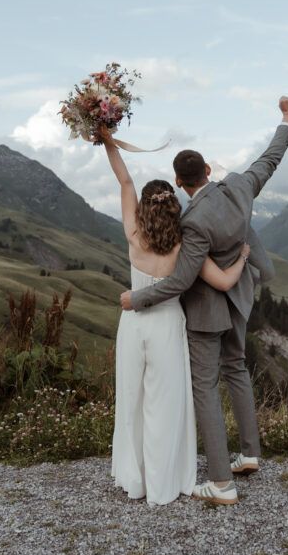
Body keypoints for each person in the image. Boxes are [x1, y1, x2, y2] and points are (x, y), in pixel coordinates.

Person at [120, 96, 288, 505]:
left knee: (205, 387)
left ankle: (220, 482)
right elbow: (270, 159)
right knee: (237, 370)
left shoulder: (192, 223)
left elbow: (181, 282)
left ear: (179, 183)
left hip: (206, 313)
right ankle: (249, 453)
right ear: (209, 170)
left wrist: (138, 299)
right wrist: (287, 118)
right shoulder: (239, 185)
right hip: (240, 297)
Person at [102, 133, 252, 506]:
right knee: (164, 405)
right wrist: (242, 259)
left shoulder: (133, 236)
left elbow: (124, 181)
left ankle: (134, 480)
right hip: (168, 327)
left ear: (143, 210)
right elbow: (222, 281)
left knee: (132, 401)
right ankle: (164, 479)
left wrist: (107, 140)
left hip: (134, 326)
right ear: (174, 207)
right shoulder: (185, 246)